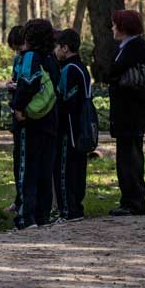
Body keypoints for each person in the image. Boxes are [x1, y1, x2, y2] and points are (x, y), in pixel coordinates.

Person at [10, 19, 59, 230]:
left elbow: (28, 83)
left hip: (31, 121)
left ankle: (25, 216)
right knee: (45, 169)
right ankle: (43, 214)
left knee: (27, 168)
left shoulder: (31, 57)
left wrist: (18, 107)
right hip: (50, 119)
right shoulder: (52, 58)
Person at [109, 10, 145, 216]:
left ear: (124, 27)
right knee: (126, 155)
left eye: (115, 25)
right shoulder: (128, 47)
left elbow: (115, 71)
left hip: (131, 112)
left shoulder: (134, 47)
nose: (112, 28)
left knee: (130, 157)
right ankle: (129, 200)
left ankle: (133, 202)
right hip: (128, 112)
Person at [53, 29, 91, 222]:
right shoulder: (83, 68)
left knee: (64, 169)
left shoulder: (68, 70)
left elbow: (64, 100)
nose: (55, 51)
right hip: (82, 126)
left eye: (57, 47)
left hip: (69, 128)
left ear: (65, 48)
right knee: (78, 169)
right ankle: (76, 206)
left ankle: (68, 210)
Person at [4, 25, 26, 215]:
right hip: (15, 109)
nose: (17, 52)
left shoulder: (30, 58)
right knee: (17, 158)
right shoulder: (18, 59)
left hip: (26, 112)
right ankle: (19, 198)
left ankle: (23, 200)